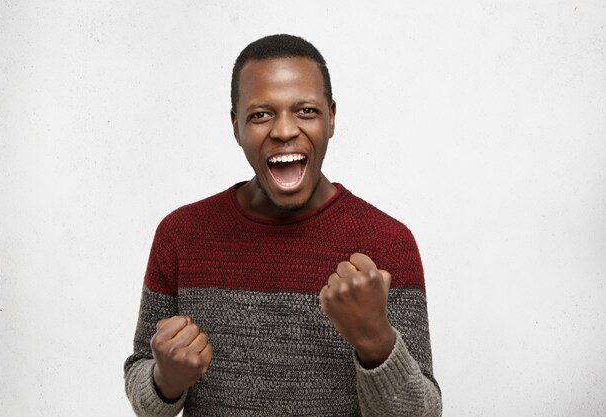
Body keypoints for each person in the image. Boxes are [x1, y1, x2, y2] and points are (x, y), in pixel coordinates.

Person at [124, 34, 442, 417]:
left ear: (332, 118)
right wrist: (165, 379)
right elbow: (142, 384)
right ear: (236, 125)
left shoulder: (388, 242)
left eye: (306, 110)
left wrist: (375, 339)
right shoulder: (181, 235)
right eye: (261, 114)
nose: (284, 130)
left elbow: (423, 413)